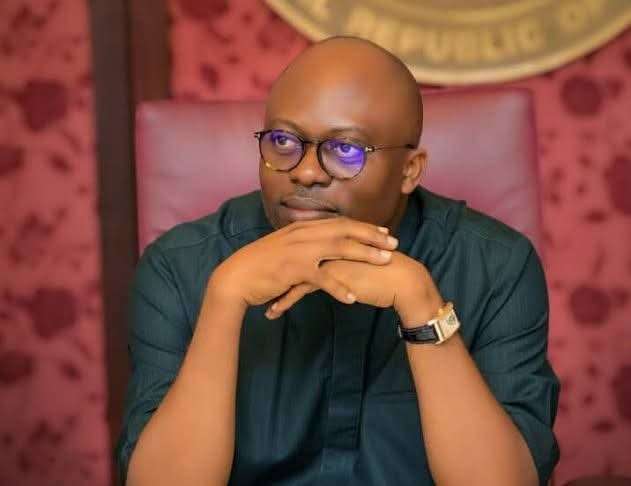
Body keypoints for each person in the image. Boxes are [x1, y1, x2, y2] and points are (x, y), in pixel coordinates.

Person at [115, 36, 559, 486]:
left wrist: (422, 306)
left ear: (409, 170)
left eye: (346, 149)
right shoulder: (179, 266)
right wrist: (223, 301)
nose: (305, 171)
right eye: (283, 141)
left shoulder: (496, 266)